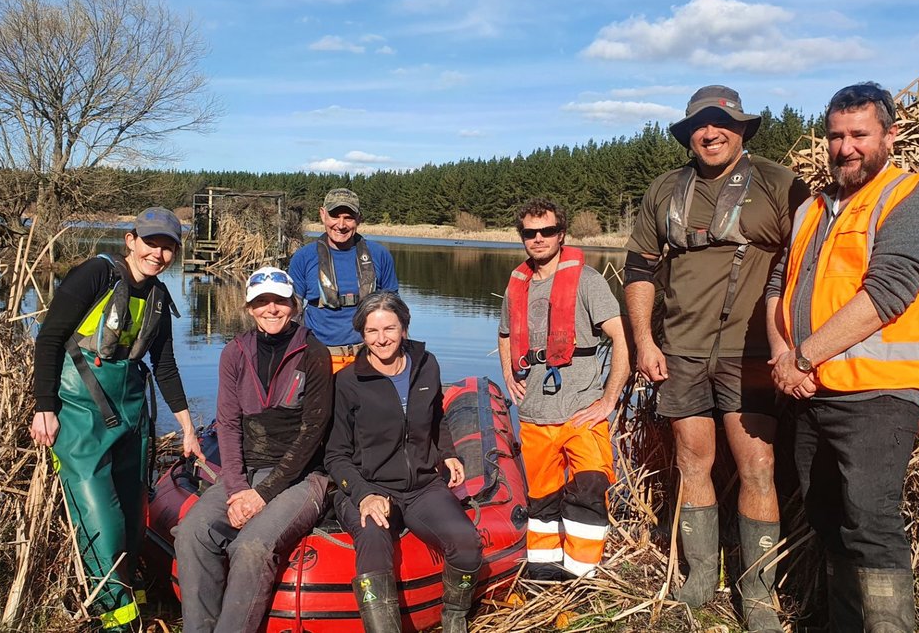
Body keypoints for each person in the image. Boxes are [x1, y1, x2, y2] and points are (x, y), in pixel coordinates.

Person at [767, 82, 919, 632]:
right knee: (828, 520)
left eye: (859, 135)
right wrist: (784, 355)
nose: (845, 147)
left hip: (878, 394)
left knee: (871, 524)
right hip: (810, 394)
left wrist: (801, 357)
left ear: (890, 136)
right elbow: (777, 286)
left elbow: (888, 292)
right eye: (835, 135)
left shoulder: (914, 197)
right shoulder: (811, 209)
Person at [623, 85, 809, 630]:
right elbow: (639, 271)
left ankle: (757, 593)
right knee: (692, 461)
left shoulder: (780, 184)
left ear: (742, 129)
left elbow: (810, 263)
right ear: (688, 135)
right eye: (700, 125)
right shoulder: (665, 190)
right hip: (679, 351)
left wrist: (795, 346)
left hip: (752, 353)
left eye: (721, 123)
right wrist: (644, 342)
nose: (710, 132)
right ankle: (701, 577)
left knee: (757, 466)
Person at [29, 207, 202, 631]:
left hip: (130, 415)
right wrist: (44, 406)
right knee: (100, 523)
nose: (158, 254)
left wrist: (187, 427)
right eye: (151, 243)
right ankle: (118, 620)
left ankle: (137, 600)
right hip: (79, 411)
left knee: (131, 519)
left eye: (168, 247)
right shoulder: (95, 274)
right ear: (131, 240)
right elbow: (50, 338)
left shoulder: (160, 297)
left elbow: (165, 367)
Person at [176, 267, 333, 633]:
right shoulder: (234, 352)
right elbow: (228, 426)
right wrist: (237, 489)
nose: (272, 309)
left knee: (252, 547)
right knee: (192, 532)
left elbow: (313, 432)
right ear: (249, 308)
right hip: (246, 471)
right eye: (262, 301)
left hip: (302, 475)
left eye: (280, 300)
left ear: (293, 305)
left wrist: (261, 495)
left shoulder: (314, 353)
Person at [324, 292, 482, 633]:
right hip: (371, 486)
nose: (381, 339)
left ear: (404, 329)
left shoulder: (428, 365)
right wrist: (364, 494)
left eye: (390, 329)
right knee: (373, 536)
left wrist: (449, 452)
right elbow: (335, 454)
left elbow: (436, 418)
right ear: (362, 335)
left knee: (467, 542)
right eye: (371, 331)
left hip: (424, 486)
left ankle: (454, 619)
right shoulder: (348, 382)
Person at [498, 198, 630, 580]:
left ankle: (581, 580)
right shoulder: (517, 285)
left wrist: (608, 398)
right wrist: (507, 373)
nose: (538, 239)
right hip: (535, 415)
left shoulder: (587, 281)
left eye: (547, 231)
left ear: (562, 234)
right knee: (540, 502)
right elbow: (505, 333)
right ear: (522, 237)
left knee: (588, 492)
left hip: (581, 411)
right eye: (530, 233)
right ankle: (543, 578)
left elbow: (621, 338)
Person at [288, 188, 399, 373]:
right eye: (334, 216)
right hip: (319, 357)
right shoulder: (303, 257)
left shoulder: (380, 255)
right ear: (323, 214)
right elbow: (291, 310)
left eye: (348, 217)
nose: (341, 225)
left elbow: (395, 311)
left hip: (370, 356)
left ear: (359, 219)